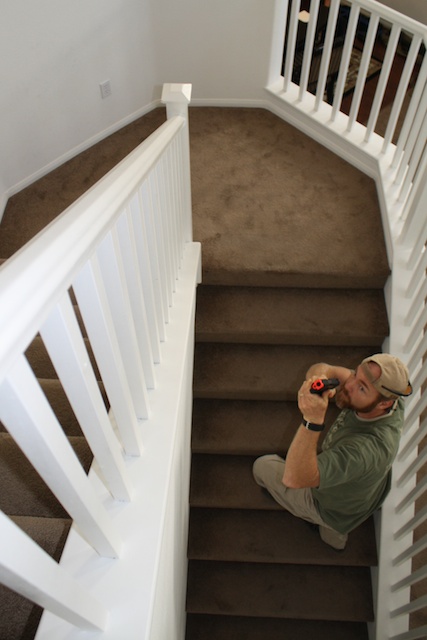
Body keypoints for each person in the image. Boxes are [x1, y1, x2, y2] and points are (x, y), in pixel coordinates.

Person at [252, 353, 412, 550]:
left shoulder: (364, 450)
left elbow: (295, 478)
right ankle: (336, 541)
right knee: (338, 527)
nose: (348, 385)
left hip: (327, 506)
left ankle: (329, 529)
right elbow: (326, 368)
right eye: (356, 374)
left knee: (262, 466)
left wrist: (312, 419)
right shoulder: (390, 397)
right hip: (364, 494)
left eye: (362, 388)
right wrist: (317, 380)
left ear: (383, 404)